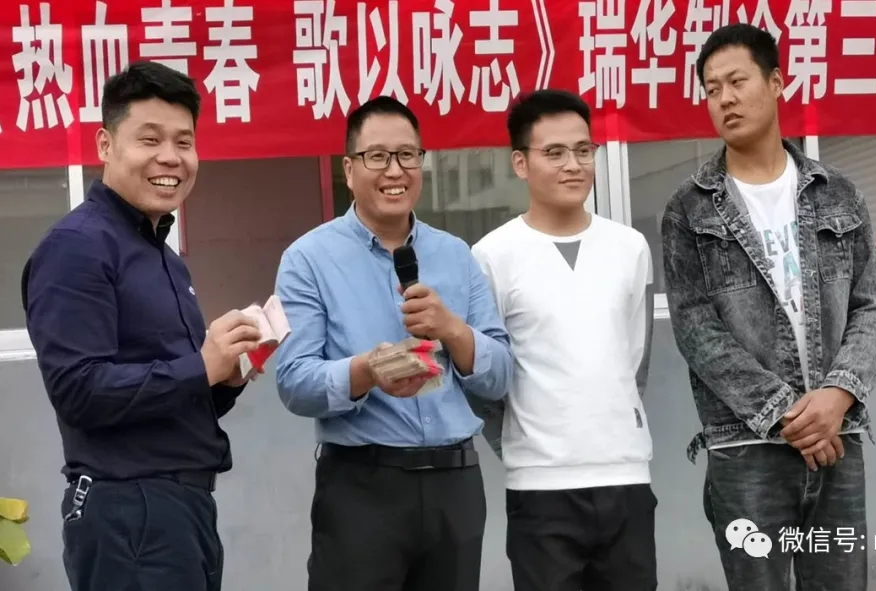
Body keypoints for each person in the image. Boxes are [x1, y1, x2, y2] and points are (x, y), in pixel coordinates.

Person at [660, 24, 876, 591]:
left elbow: (871, 307)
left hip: (838, 438)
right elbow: (696, 329)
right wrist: (789, 414)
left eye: (737, 81)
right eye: (712, 89)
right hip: (746, 449)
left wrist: (837, 395)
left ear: (777, 82)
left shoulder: (838, 192)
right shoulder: (688, 210)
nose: (725, 98)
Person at [21, 61, 262, 591]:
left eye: (184, 141)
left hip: (182, 508)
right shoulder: (77, 247)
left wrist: (226, 376)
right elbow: (79, 391)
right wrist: (201, 366)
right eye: (149, 139)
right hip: (128, 513)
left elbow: (170, 395)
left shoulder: (163, 257)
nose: (170, 157)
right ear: (106, 145)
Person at [273, 96, 514, 591]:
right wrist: (366, 371)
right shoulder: (308, 258)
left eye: (407, 155)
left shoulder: (455, 254)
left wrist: (453, 330)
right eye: (377, 156)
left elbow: (500, 377)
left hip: (454, 485)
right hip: (362, 488)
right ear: (349, 169)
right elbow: (295, 383)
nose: (395, 171)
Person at [471, 89, 658, 591]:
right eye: (554, 152)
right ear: (520, 163)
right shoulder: (492, 256)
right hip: (540, 486)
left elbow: (635, 357)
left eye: (583, 150)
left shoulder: (630, 248)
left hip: (625, 474)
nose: (573, 165)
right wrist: (521, 445)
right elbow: (482, 375)